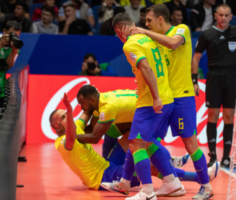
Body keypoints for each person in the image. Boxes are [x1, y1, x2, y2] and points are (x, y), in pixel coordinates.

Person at [117, 4, 214, 199]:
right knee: (142, 141)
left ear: (160, 19)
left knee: (190, 144)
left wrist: (143, 31)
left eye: (149, 21)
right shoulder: (154, 41)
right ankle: (163, 182)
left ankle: (206, 186)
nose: (147, 24)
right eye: (145, 22)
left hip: (182, 98)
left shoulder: (181, 29)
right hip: (165, 97)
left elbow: (173, 43)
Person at [51, 93, 219, 192]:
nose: (68, 116)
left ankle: (168, 161)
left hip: (107, 164)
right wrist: (70, 110)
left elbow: (86, 113)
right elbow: (73, 138)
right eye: (64, 117)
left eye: (66, 114)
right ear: (57, 126)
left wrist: (90, 100)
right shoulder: (62, 141)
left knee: (133, 135)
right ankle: (196, 177)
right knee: (146, 164)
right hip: (103, 177)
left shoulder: (75, 126)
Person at [109, 13, 181, 200]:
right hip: (167, 97)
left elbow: (147, 68)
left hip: (151, 102)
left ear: (119, 31)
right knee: (146, 142)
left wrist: (155, 96)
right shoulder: (150, 38)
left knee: (136, 144)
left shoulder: (130, 45)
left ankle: (147, 192)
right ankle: (171, 182)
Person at [192, 4, 236, 169]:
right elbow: (196, 58)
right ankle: (212, 157)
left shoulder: (235, 32)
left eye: (227, 15)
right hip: (214, 78)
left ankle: (226, 158)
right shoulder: (207, 34)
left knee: (229, 118)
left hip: (232, 77)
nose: (223, 18)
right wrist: (195, 81)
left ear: (231, 17)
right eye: (221, 15)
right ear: (215, 16)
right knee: (213, 116)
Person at [76, 86, 136, 158]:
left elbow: (95, 138)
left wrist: (71, 137)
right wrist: (73, 132)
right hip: (133, 113)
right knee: (109, 131)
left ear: (92, 100)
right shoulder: (98, 101)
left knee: (116, 159)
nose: (81, 108)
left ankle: (114, 163)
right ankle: (108, 162)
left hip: (147, 115)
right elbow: (92, 129)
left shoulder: (107, 108)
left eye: (82, 104)